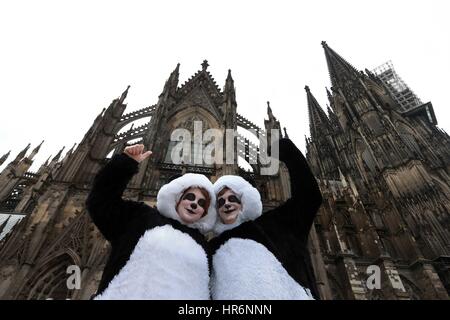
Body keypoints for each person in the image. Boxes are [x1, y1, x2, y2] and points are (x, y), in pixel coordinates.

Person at [85, 144, 216, 299]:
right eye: (189, 197)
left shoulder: (203, 247)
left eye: (202, 203)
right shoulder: (141, 218)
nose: (194, 204)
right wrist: (125, 164)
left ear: (205, 212)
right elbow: (101, 201)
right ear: (177, 199)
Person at [209, 138, 323, 300]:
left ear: (245, 201)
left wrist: (288, 153)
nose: (227, 204)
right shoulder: (212, 248)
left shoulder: (275, 225)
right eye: (221, 201)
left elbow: (309, 197)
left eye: (233, 198)